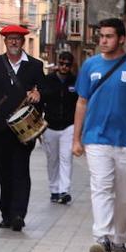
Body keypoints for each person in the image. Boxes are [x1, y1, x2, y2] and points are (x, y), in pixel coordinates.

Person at [73, 18, 126, 252]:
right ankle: (102, 238)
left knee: (125, 192)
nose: (103, 41)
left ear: (121, 38)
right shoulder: (90, 66)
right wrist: (76, 138)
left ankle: (119, 238)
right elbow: (81, 102)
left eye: (108, 36)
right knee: (102, 186)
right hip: (96, 137)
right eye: (101, 36)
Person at [0, 24, 44, 231]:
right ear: (5, 42)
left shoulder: (35, 66)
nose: (14, 42)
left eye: (17, 39)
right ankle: (6, 213)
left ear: (23, 42)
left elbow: (44, 92)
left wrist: (38, 95)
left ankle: (18, 214)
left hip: (23, 129)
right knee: (5, 172)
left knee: (21, 170)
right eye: (10, 39)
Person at [39, 50, 78, 204]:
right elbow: (40, 102)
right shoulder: (48, 80)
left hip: (69, 126)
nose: (64, 67)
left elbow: (80, 104)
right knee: (52, 159)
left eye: (67, 64)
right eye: (61, 63)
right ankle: (54, 189)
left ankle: (64, 190)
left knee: (66, 158)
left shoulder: (75, 81)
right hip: (50, 125)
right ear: (58, 63)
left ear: (71, 65)